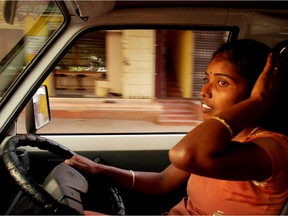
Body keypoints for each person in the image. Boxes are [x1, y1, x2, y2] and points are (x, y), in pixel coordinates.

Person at [65, 39, 288, 215]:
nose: (204, 91)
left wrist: (258, 103)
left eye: (222, 82)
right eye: (206, 79)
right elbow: (163, 181)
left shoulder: (271, 148)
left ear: (258, 91)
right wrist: (100, 170)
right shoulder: (221, 138)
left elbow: (184, 155)